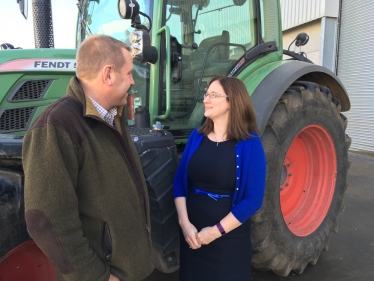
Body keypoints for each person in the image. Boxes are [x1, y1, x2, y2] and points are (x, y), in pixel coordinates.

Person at [23, 35, 154, 281]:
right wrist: (96, 276)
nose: (132, 81)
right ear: (108, 75)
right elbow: (46, 221)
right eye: (128, 73)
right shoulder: (56, 126)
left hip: (132, 270)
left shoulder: (113, 114)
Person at [173, 76, 266, 281]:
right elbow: (180, 181)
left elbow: (253, 199)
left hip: (228, 240)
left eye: (213, 95)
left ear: (232, 101)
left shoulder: (250, 143)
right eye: (206, 94)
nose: (206, 99)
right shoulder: (196, 137)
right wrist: (185, 224)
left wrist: (215, 232)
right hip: (192, 237)